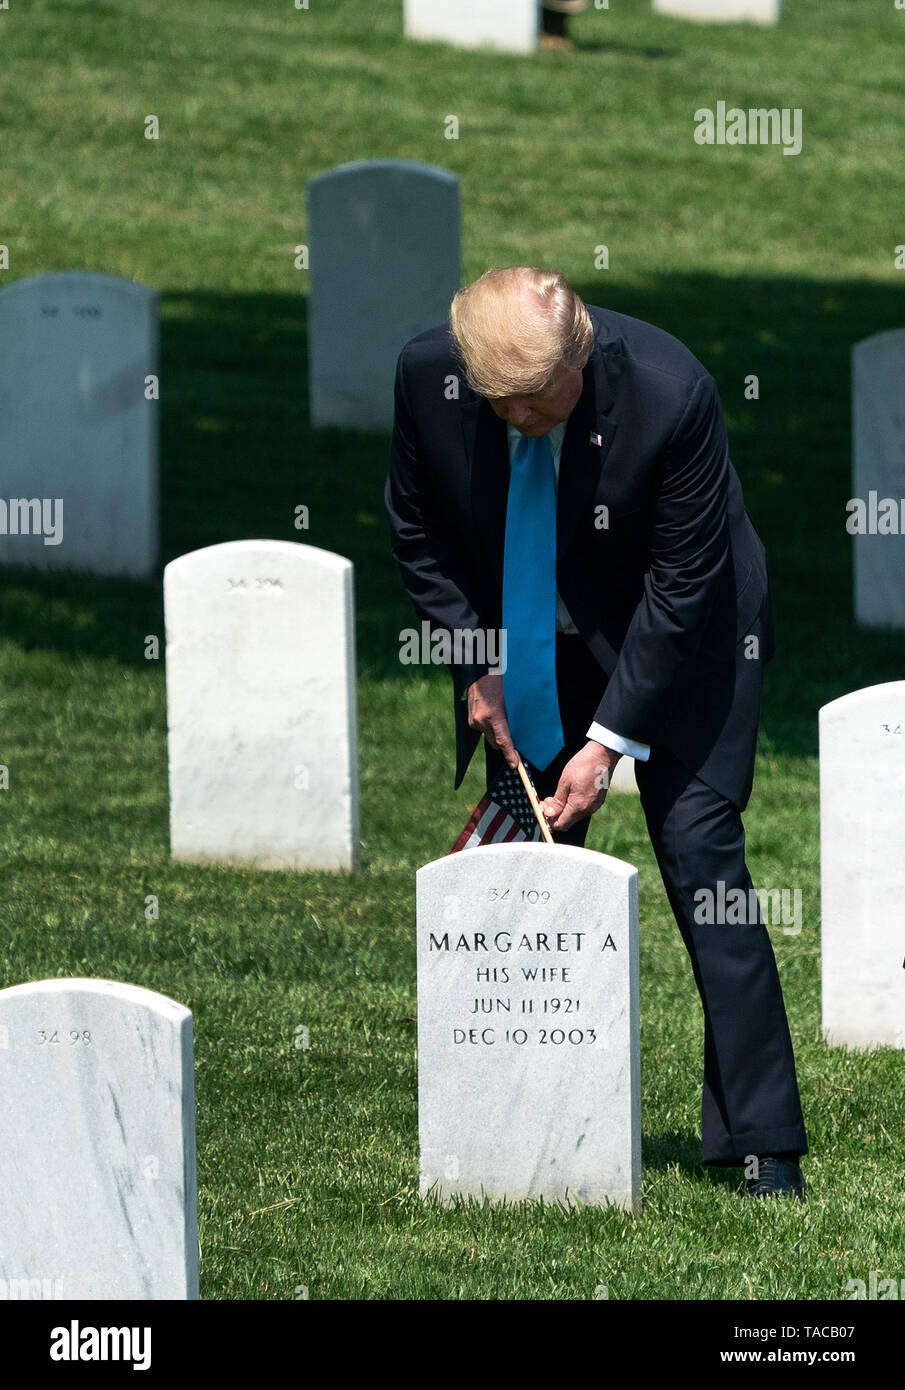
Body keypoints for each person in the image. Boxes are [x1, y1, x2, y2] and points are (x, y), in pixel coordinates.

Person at [384, 266, 808, 1198]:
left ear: (579, 354)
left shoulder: (671, 391)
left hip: (686, 633)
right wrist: (477, 661)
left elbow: (685, 582)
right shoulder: (430, 374)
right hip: (529, 634)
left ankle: (762, 1141)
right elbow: (417, 533)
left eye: (535, 403)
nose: (516, 422)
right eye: (499, 404)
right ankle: (517, 1117)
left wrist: (608, 740)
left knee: (703, 860)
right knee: (530, 848)